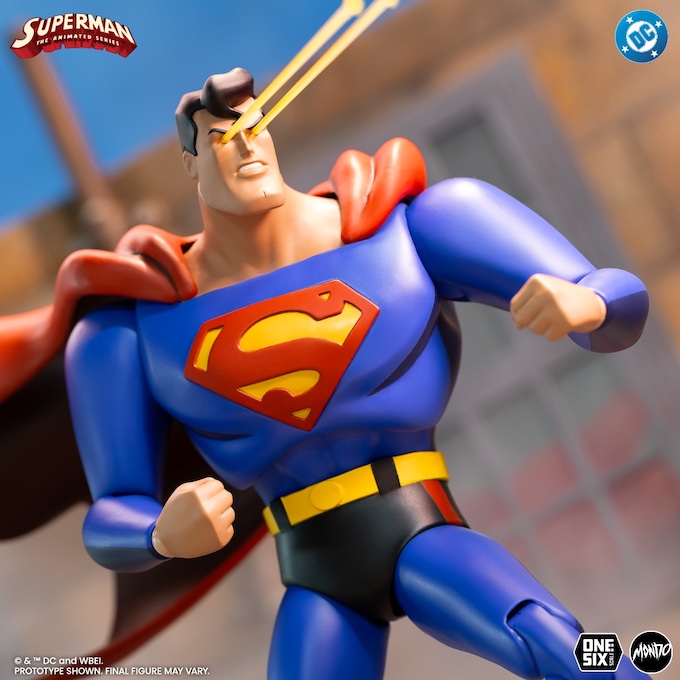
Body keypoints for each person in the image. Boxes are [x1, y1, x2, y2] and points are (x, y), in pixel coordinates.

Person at [62, 68, 649, 679]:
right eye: (221, 139)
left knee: (557, 644)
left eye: (256, 127)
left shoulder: (407, 229)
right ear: (191, 163)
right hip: (316, 578)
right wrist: (159, 534)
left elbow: (616, 295)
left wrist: (589, 304)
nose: (246, 147)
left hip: (424, 534)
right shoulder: (131, 332)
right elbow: (110, 516)